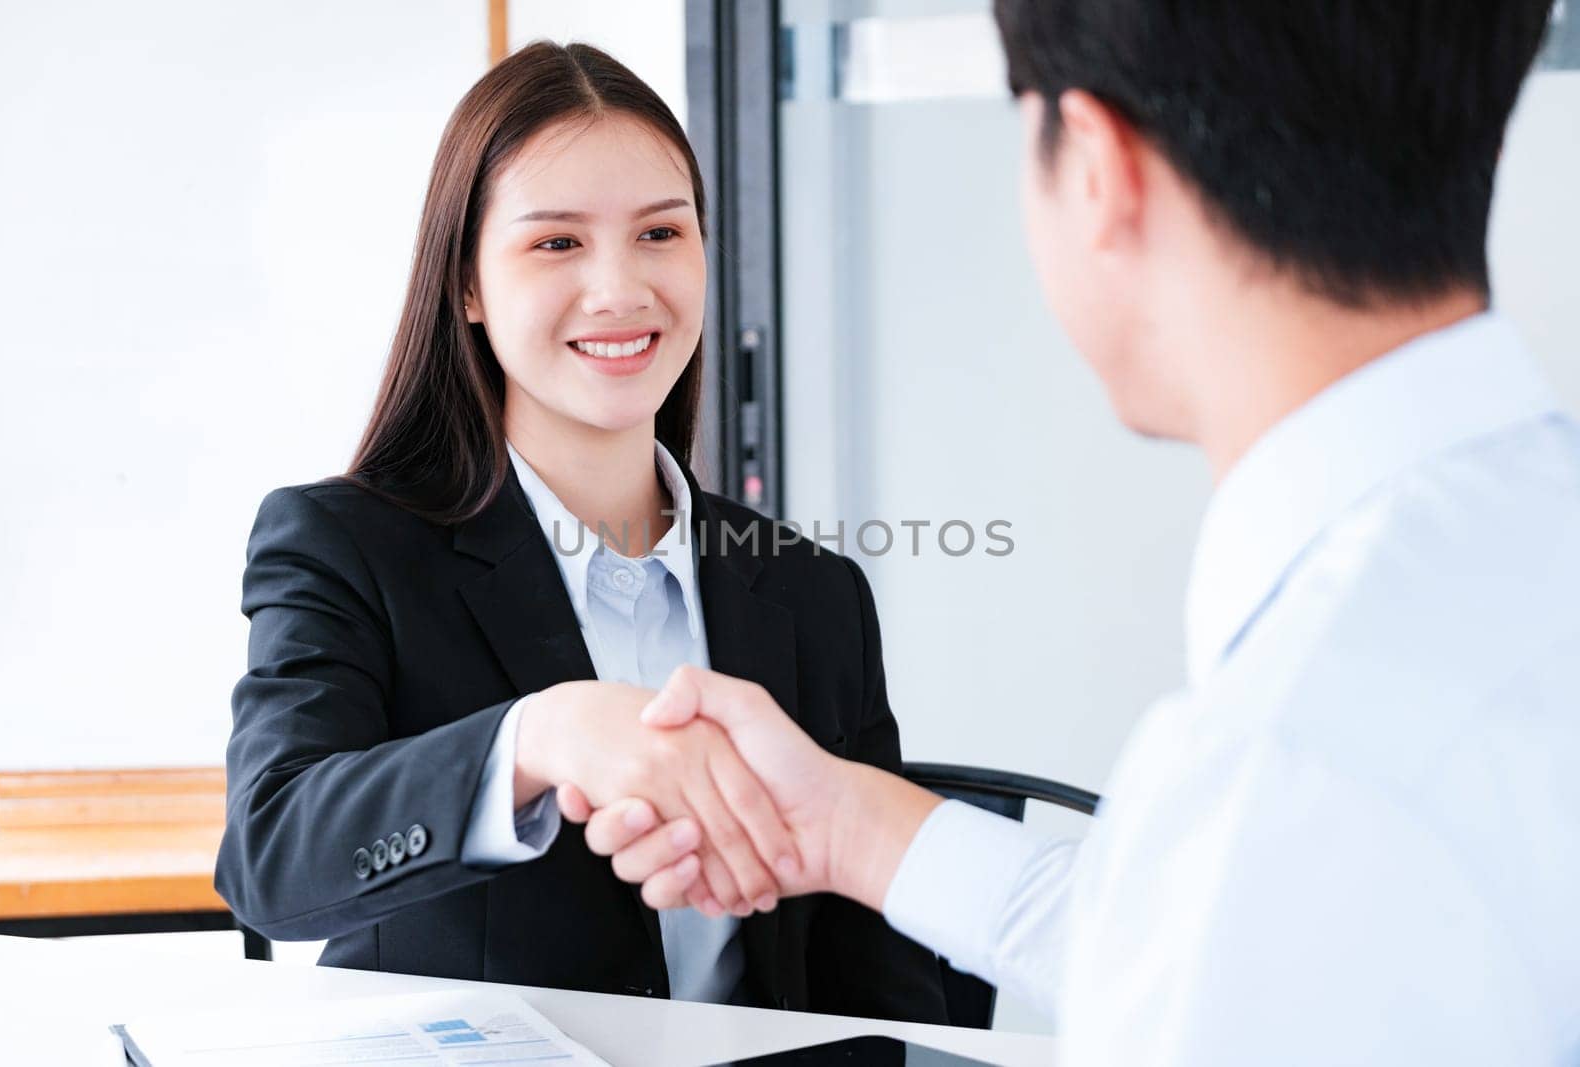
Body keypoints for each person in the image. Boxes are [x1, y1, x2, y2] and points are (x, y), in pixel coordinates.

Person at [561, 1, 1580, 1062]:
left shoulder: (1290, 769)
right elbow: (1211, 936)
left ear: (1095, 165)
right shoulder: (1507, 559)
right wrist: (852, 827)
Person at [214, 40, 945, 1022]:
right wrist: (537, 736)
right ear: (467, 285)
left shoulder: (813, 591)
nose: (620, 289)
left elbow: (875, 974)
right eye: (556, 242)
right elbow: (270, 858)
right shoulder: (347, 545)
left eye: (659, 233)